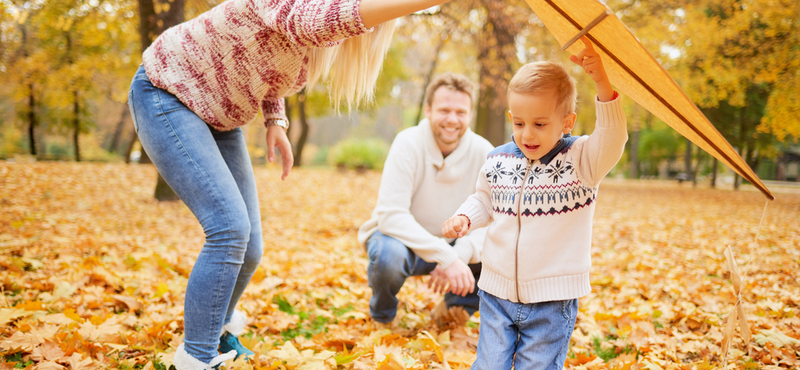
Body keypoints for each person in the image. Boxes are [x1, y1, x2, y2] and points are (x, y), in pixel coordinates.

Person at [127, 1, 456, 369]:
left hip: (220, 117)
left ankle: (215, 330)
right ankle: (195, 358)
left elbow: (267, 57)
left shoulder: (319, 31)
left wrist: (275, 120)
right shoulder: (302, 10)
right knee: (229, 229)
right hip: (167, 91)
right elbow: (313, 23)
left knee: (250, 248)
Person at [442, 37, 628, 369]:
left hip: (551, 302)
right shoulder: (498, 160)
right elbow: (485, 199)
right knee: (488, 365)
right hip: (496, 293)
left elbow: (613, 137)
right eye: (519, 123)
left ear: (567, 122)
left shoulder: (582, 160)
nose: (528, 134)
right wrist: (465, 218)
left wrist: (601, 82)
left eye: (540, 124)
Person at [357, 73, 494, 327]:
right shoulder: (408, 143)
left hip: (455, 244)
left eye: (461, 112)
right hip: (401, 242)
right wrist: (445, 255)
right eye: (444, 110)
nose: (452, 120)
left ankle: (454, 310)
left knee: (500, 251)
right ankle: (383, 316)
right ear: (428, 110)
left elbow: (492, 220)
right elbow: (391, 215)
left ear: (470, 115)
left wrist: (459, 254)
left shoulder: (484, 151)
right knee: (388, 257)